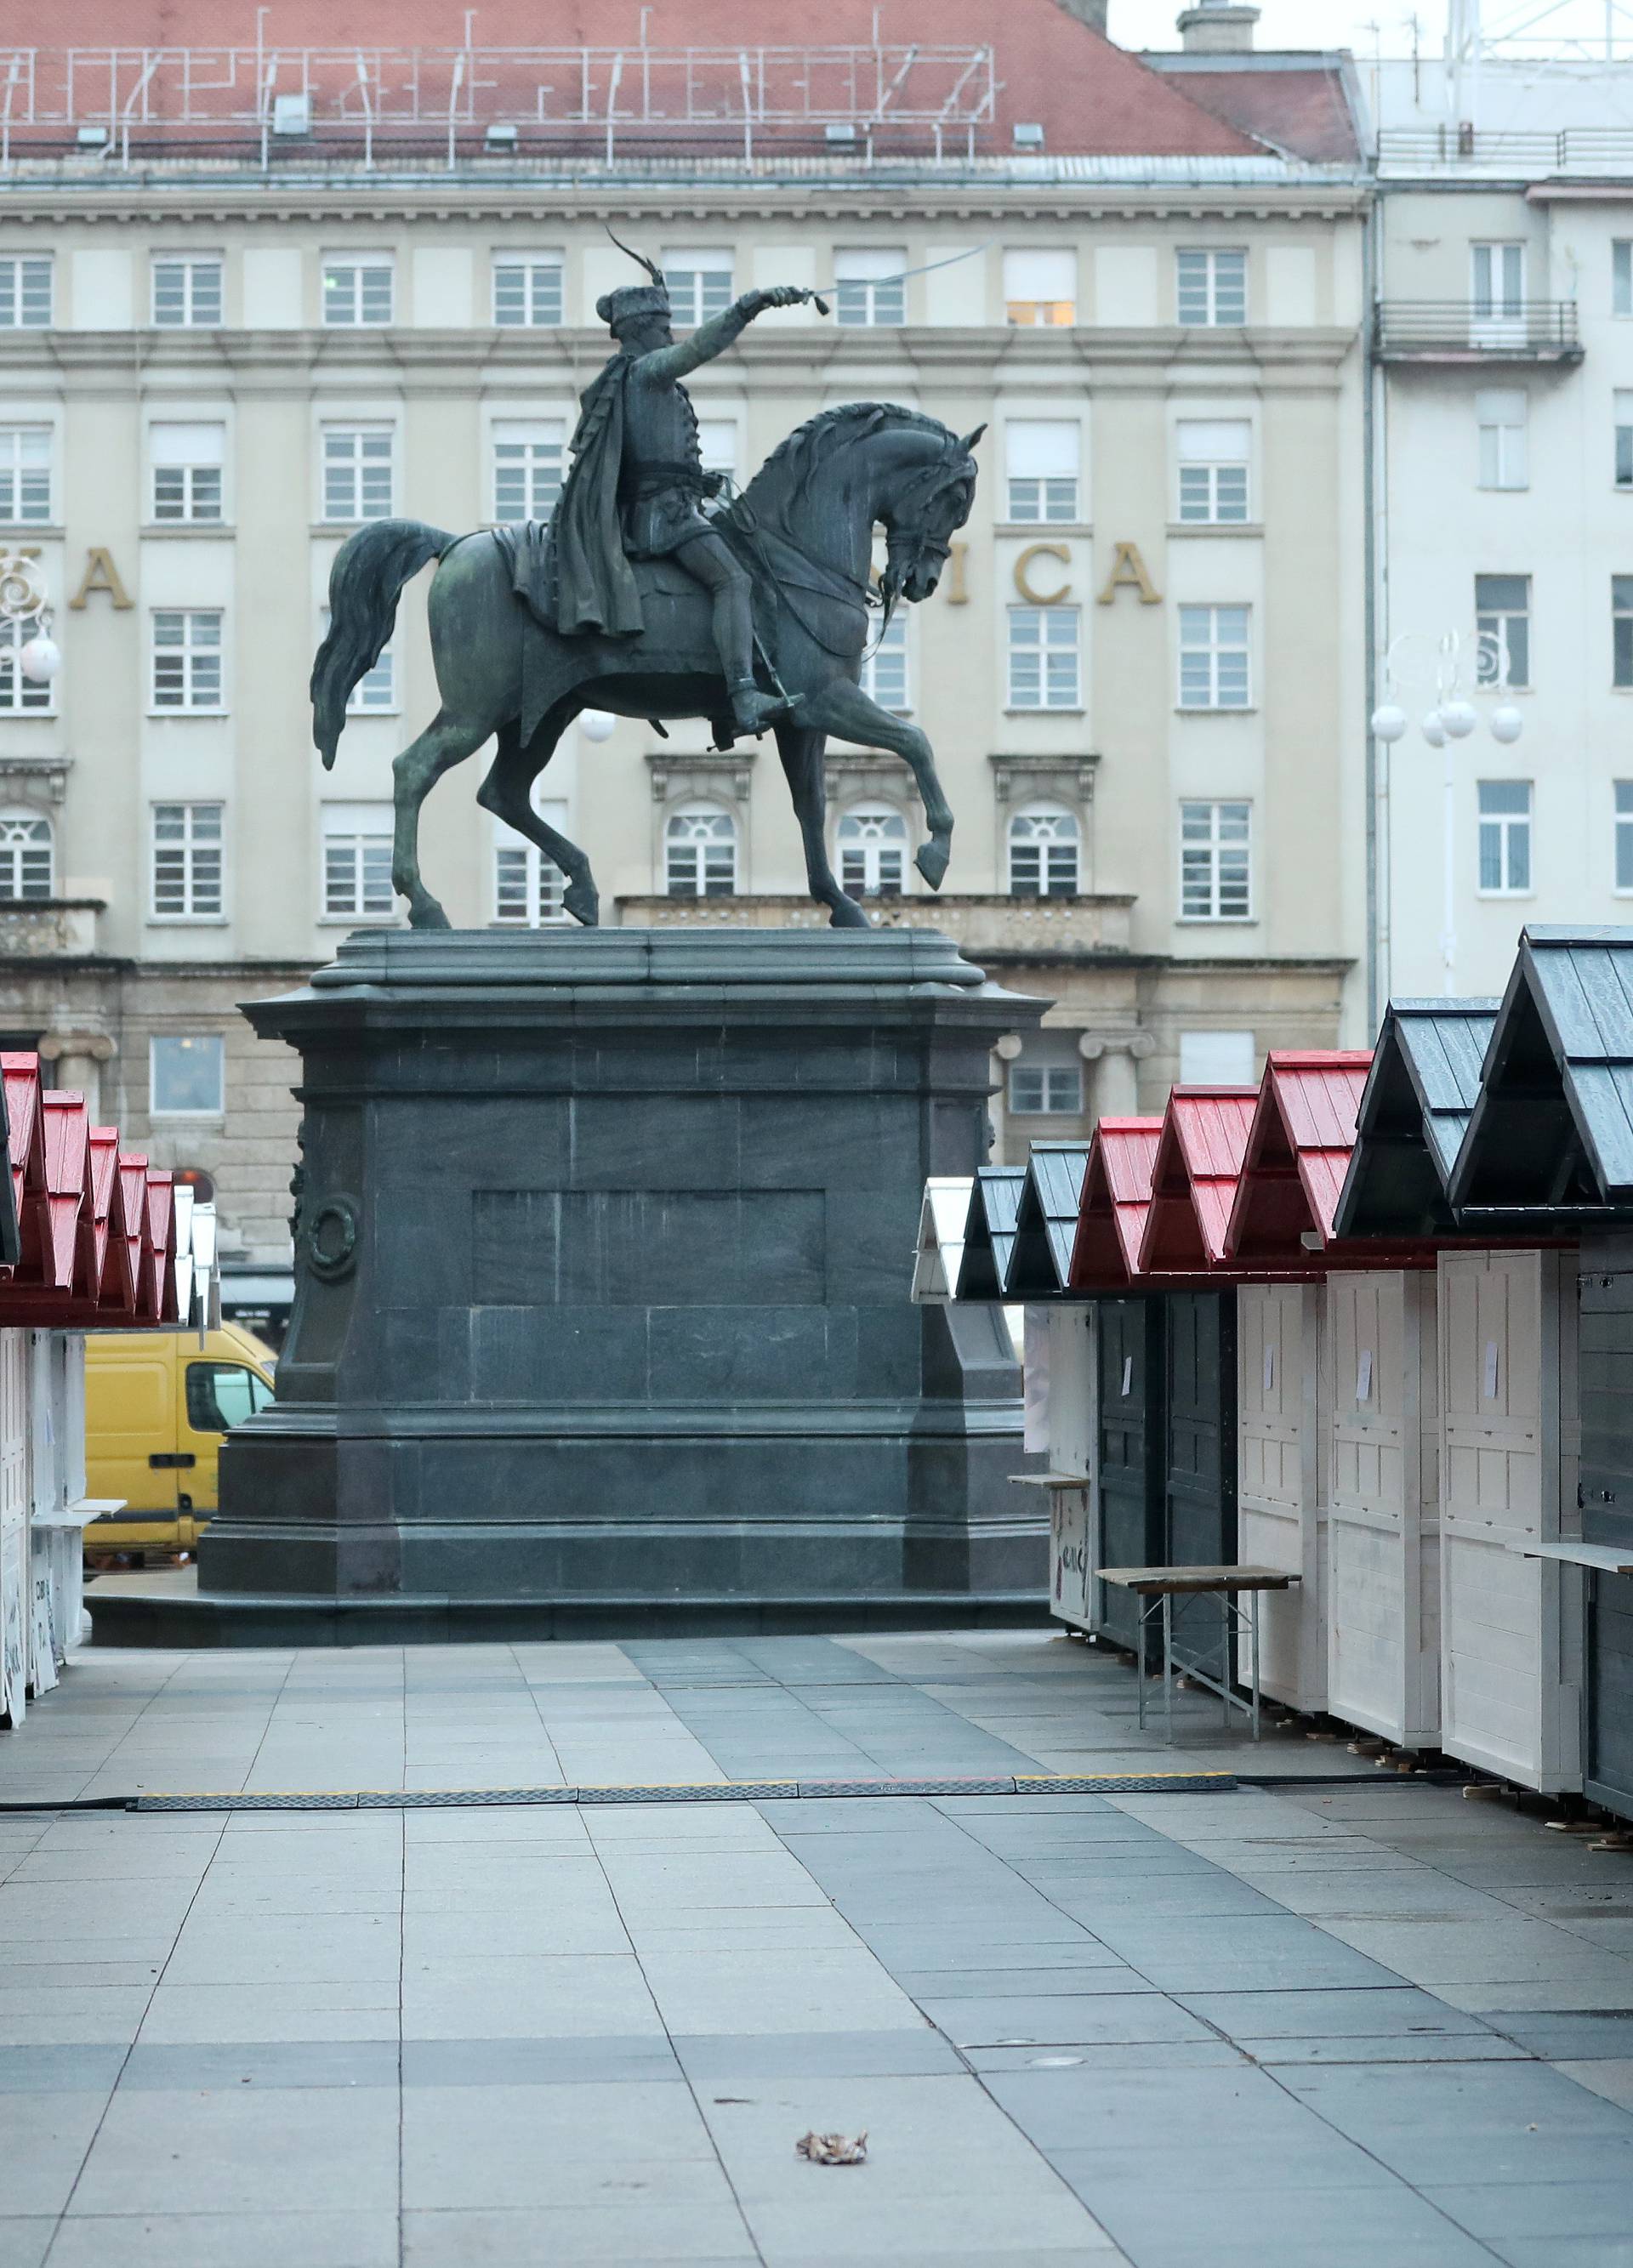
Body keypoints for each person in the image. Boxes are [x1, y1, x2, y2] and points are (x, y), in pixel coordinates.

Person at [551, 243, 812, 734]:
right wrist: (747, 306)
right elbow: (699, 349)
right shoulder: (646, 372)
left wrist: (699, 481)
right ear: (645, 330)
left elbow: (654, 460)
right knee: (733, 580)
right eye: (665, 328)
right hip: (661, 518)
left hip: (670, 503)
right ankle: (742, 696)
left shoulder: (634, 377)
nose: (672, 335)